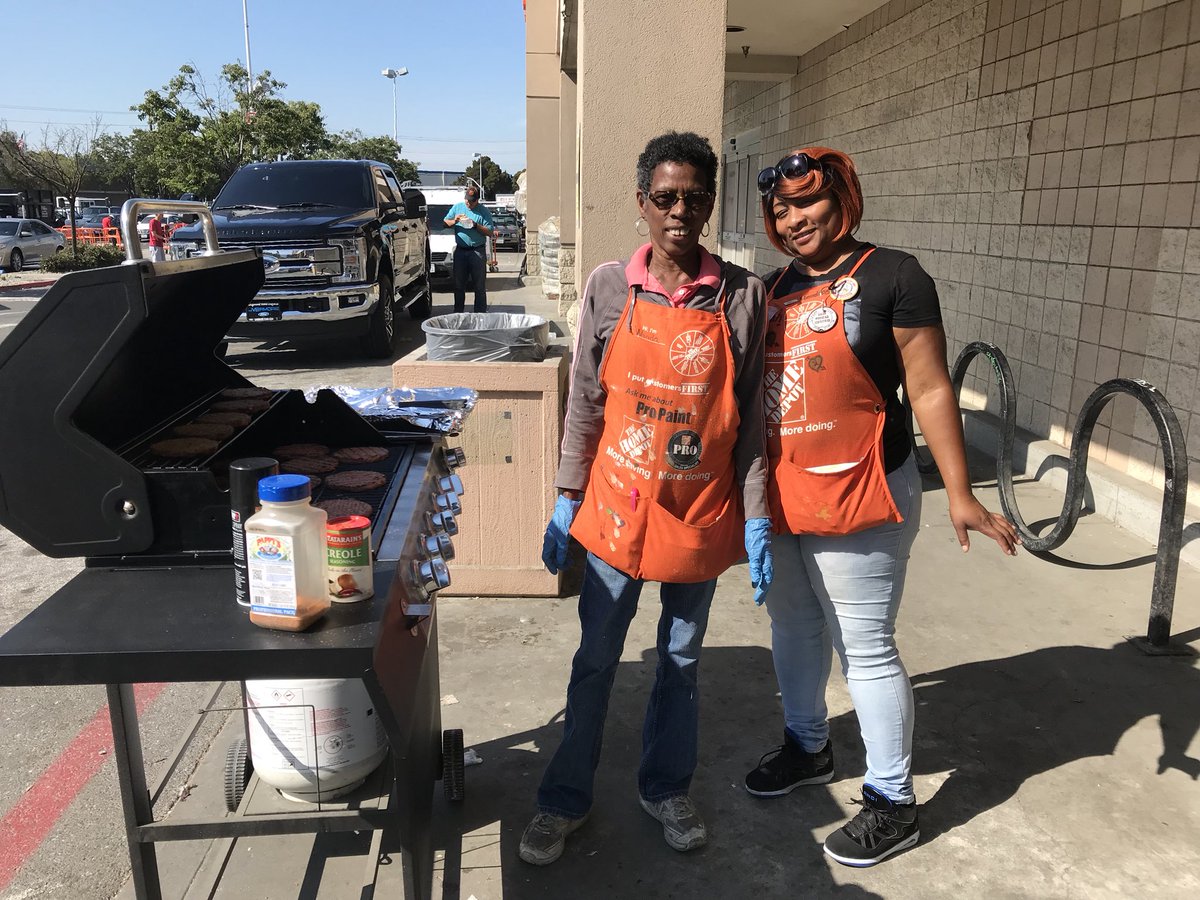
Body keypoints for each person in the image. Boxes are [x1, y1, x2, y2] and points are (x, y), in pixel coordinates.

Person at [745, 147, 1020, 867]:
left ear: (843, 198)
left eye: (808, 203)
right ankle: (807, 747)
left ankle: (894, 803)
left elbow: (928, 389)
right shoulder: (772, 290)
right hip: (785, 493)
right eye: (781, 210)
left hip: (865, 491)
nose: (795, 219)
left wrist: (959, 490)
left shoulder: (896, 275)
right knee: (795, 629)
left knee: (864, 647)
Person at [519, 131, 773, 867]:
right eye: (665, 198)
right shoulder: (607, 287)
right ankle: (564, 798)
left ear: (710, 204)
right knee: (597, 657)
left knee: (682, 660)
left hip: (700, 512)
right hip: (617, 506)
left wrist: (757, 516)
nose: (679, 212)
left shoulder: (743, 295)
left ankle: (665, 787)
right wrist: (567, 493)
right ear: (642, 203)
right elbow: (586, 406)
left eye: (694, 198)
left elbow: (753, 417)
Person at [442, 185, 494, 312]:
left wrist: (476, 225)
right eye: (467, 200)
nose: (468, 203)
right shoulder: (458, 207)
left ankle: (480, 314)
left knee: (479, 286)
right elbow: (445, 223)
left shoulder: (483, 211)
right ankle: (458, 313)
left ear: (477, 200)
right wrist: (455, 220)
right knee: (459, 285)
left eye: (471, 201)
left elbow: (490, 232)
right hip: (461, 250)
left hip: (477, 250)